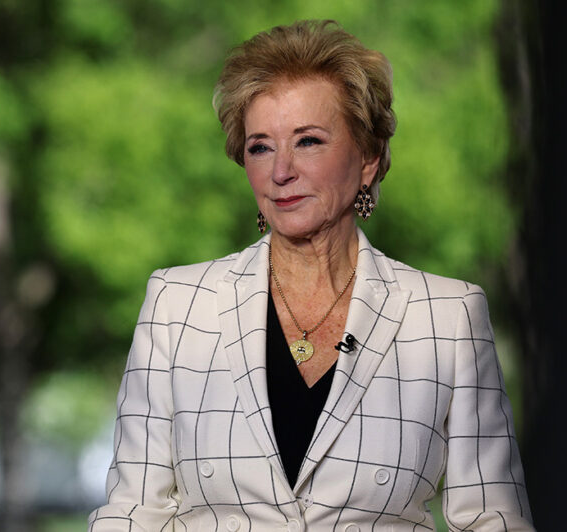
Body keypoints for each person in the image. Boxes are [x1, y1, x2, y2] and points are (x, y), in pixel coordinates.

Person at [88, 20, 533, 531]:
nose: (281, 171)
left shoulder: (447, 317)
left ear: (368, 157)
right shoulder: (178, 305)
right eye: (260, 146)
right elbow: (132, 512)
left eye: (308, 141)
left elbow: (493, 519)